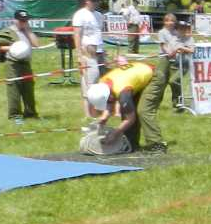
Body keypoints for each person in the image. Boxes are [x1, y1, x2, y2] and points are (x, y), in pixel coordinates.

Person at [140, 13, 191, 154]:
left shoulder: (177, 32)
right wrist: (170, 52)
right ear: (164, 22)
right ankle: (158, 102)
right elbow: (164, 46)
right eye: (168, 21)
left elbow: (183, 42)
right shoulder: (162, 32)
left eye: (172, 21)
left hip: (176, 60)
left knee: (175, 82)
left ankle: (178, 104)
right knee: (163, 82)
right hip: (165, 60)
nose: (170, 23)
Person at [81, 57, 156, 154]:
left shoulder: (122, 92)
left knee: (143, 111)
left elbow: (130, 119)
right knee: (128, 110)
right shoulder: (102, 84)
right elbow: (109, 101)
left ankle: (156, 145)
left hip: (153, 75)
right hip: (135, 76)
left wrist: (115, 133)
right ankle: (132, 145)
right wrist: (103, 118)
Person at [0, 9, 40, 122]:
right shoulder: (7, 32)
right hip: (13, 63)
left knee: (28, 89)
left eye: (25, 20)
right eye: (21, 20)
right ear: (14, 20)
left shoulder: (27, 31)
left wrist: (28, 31)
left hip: (26, 63)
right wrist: (14, 47)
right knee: (14, 89)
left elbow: (36, 44)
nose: (23, 23)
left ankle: (31, 114)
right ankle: (15, 116)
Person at [71, 0, 106, 95]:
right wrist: (79, 56)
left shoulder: (99, 15)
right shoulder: (80, 14)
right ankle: (88, 103)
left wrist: (103, 50)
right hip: (87, 53)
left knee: (101, 80)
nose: (96, 3)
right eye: (93, 1)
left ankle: (98, 103)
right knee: (89, 81)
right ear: (87, 1)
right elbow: (77, 35)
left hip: (99, 52)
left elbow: (98, 33)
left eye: (97, 1)